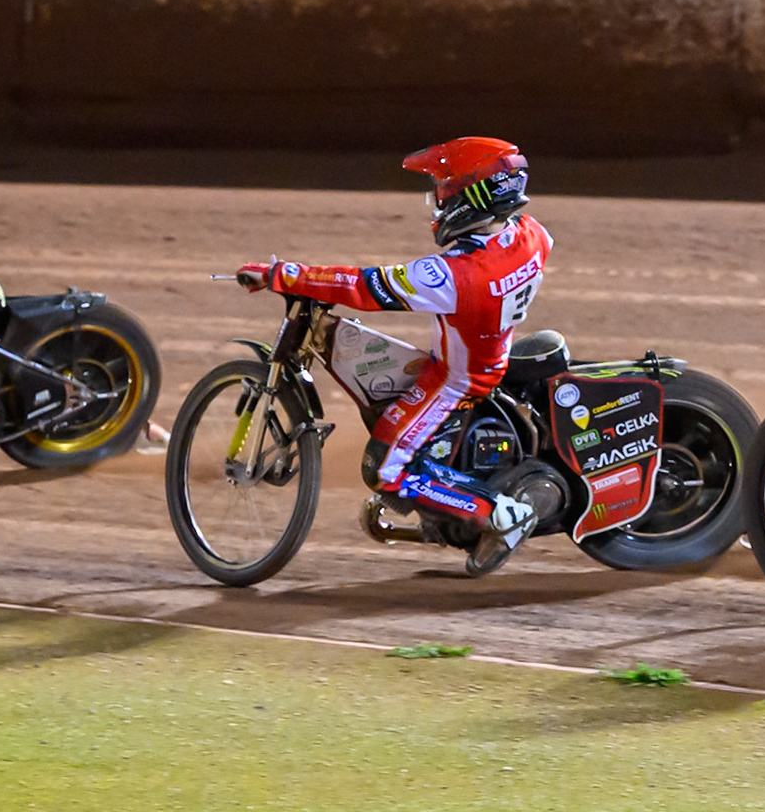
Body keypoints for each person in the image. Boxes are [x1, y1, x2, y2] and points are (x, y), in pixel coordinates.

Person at [236, 137, 552, 574]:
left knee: (383, 467)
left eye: (445, 188)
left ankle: (498, 514)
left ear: (473, 196)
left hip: (456, 381)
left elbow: (362, 287)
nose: (439, 200)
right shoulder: (531, 236)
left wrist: (285, 275)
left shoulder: (455, 275)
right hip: (490, 352)